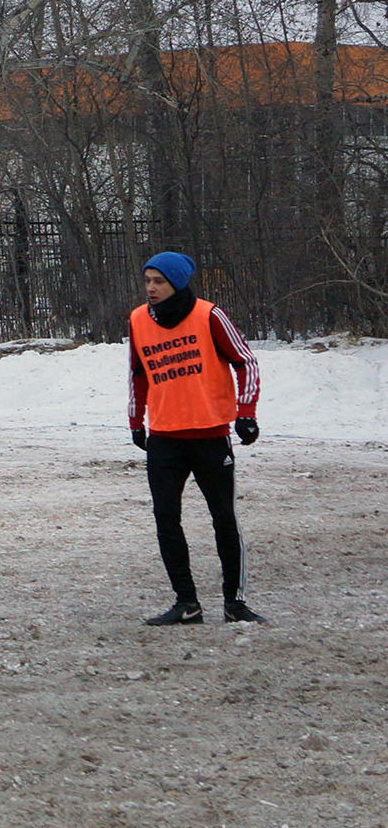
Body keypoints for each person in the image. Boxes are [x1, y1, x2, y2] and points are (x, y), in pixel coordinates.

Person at [129, 251, 265, 626]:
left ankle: (234, 604)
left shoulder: (209, 315)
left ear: (177, 282)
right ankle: (186, 603)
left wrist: (246, 413)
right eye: (148, 281)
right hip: (164, 438)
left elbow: (245, 361)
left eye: (159, 281)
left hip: (210, 436)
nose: (151, 288)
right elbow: (137, 374)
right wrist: (135, 421)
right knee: (165, 518)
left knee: (223, 518)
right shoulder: (138, 320)